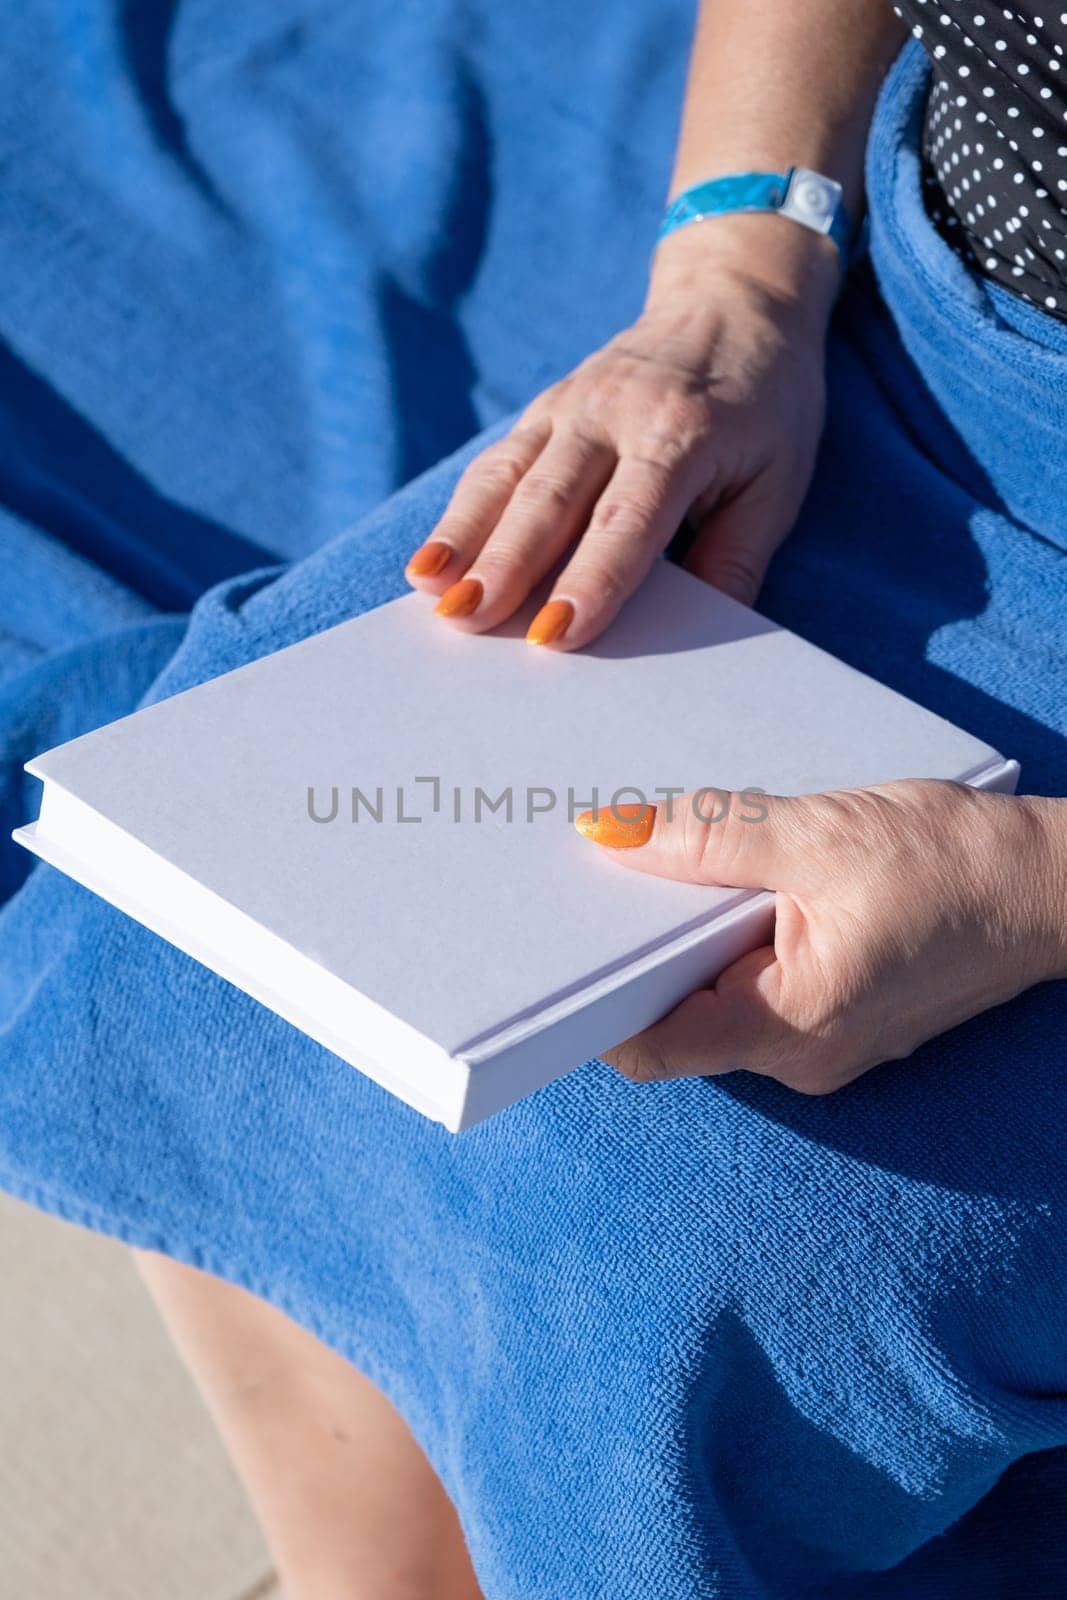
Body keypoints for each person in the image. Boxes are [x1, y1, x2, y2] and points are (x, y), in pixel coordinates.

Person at [1, 2, 1064, 1596]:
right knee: (209, 919)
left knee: (673, 1261)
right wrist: (742, 265)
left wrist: (1030, 885)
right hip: (924, 345)